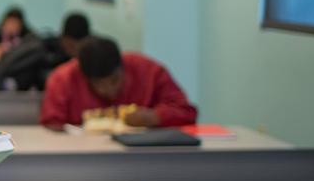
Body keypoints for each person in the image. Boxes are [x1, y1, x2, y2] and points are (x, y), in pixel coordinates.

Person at [40, 36, 197, 129]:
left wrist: (155, 117)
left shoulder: (149, 71)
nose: (109, 90)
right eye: (99, 85)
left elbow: (186, 110)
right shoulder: (62, 80)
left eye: (115, 80)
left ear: (123, 66)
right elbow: (50, 125)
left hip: (142, 159)